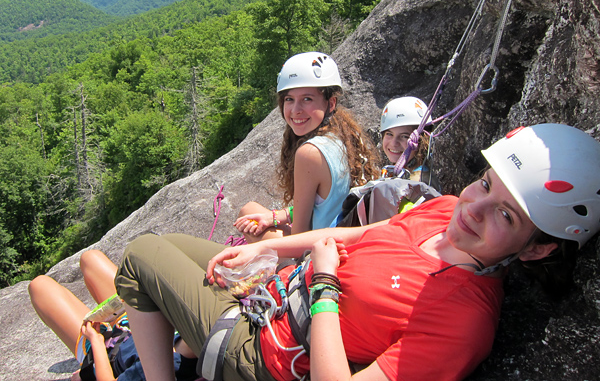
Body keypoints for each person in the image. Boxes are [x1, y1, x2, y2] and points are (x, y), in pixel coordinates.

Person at [114, 123, 600, 381]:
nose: (476, 208)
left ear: (536, 250)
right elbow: (361, 237)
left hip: (267, 353)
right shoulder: (447, 209)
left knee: (140, 258)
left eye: (508, 216)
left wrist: (324, 287)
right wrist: (268, 253)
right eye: (485, 184)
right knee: (173, 246)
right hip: (273, 294)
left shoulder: (463, 324)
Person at [234, 52, 378, 241]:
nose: (295, 110)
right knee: (251, 211)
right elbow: (326, 206)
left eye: (307, 99)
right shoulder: (343, 136)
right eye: (289, 99)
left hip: (314, 254)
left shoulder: (309, 153)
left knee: (247, 212)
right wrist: (275, 217)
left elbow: (299, 237)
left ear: (330, 103)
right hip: (339, 242)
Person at [28, 250, 198, 381]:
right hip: (138, 320)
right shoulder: (193, 330)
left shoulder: (162, 369)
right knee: (90, 258)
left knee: (39, 287)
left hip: (109, 350)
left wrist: (96, 341)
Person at [379, 96, 441, 190]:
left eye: (404, 136)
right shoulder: (402, 174)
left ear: (421, 141)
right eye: (389, 134)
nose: (394, 143)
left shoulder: (419, 182)